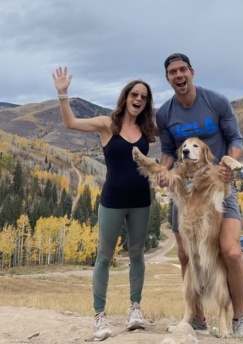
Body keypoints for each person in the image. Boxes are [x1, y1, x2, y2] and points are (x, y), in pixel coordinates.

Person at [155, 54, 243, 342]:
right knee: (186, 255)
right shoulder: (164, 113)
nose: (178, 75)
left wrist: (229, 165)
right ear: (168, 79)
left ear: (192, 72)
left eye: (182, 69)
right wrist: (162, 172)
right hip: (186, 192)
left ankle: (240, 319)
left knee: (232, 252)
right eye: (172, 72)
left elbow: (235, 139)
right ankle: (197, 318)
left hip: (217, 187)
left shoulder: (216, 101)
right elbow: (167, 152)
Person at [52, 66, 156, 341]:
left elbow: (171, 141)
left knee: (137, 256)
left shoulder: (147, 129)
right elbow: (70, 123)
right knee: (104, 258)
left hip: (141, 202)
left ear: (146, 103)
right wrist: (63, 95)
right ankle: (99, 316)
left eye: (144, 97)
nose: (139, 99)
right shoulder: (107, 124)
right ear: (126, 96)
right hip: (112, 201)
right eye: (135, 94)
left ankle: (135, 309)